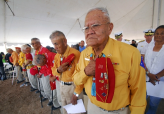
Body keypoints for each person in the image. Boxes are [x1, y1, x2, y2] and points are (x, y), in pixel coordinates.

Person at [72, 7, 146, 114]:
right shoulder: (84, 54)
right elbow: (76, 79)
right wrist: (85, 72)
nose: (90, 31)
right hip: (92, 107)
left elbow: (138, 91)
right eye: (86, 28)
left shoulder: (130, 53)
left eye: (95, 25)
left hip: (118, 111)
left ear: (110, 28)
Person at [50, 31, 83, 114]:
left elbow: (81, 76)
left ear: (64, 41)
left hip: (73, 87)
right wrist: (58, 70)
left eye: (56, 44)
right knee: (65, 110)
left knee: (76, 111)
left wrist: (76, 94)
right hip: (61, 85)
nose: (55, 47)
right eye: (53, 44)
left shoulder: (76, 54)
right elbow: (53, 70)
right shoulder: (57, 55)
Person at [144, 25, 164, 114]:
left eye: (162, 33)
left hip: (159, 80)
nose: (158, 35)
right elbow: (143, 61)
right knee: (141, 101)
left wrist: (155, 76)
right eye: (157, 33)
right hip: (145, 77)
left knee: (153, 104)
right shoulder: (149, 46)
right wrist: (148, 73)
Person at [31, 38, 53, 105]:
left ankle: (51, 99)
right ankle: (46, 96)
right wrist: (35, 68)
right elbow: (37, 62)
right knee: (42, 86)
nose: (32, 45)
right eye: (31, 44)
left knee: (47, 87)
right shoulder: (36, 51)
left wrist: (40, 73)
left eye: (33, 43)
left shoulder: (44, 51)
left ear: (38, 43)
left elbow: (47, 64)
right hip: (40, 71)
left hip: (45, 72)